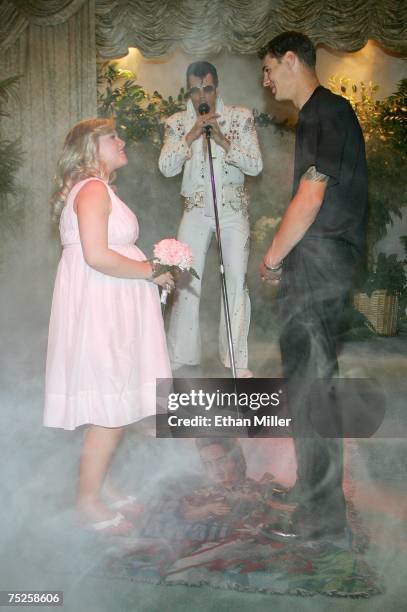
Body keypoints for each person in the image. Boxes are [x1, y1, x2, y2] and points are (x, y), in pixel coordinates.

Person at [259, 32, 368, 538]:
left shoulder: (328, 112)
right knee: (303, 388)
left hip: (320, 272)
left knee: (313, 392)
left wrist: (274, 257)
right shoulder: (317, 115)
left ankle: (322, 520)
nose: (266, 80)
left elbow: (312, 192)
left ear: (289, 60)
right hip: (317, 270)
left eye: (268, 68)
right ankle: (310, 488)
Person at [44, 118, 174, 535]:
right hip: (103, 305)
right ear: (89, 148)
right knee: (109, 406)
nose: (122, 141)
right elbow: (97, 255)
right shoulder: (94, 189)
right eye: (112, 137)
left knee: (112, 402)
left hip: (110, 300)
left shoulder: (99, 189)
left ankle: (101, 485)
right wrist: (149, 270)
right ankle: (86, 501)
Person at [159, 61, 263, 377]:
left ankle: (236, 359)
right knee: (187, 278)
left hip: (232, 209)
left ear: (216, 87)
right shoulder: (176, 123)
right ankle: (182, 353)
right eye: (194, 89)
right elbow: (166, 167)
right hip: (195, 208)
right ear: (188, 91)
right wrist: (189, 136)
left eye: (207, 88)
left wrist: (223, 140)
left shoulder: (239, 117)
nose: (201, 95)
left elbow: (255, 166)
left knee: (235, 279)